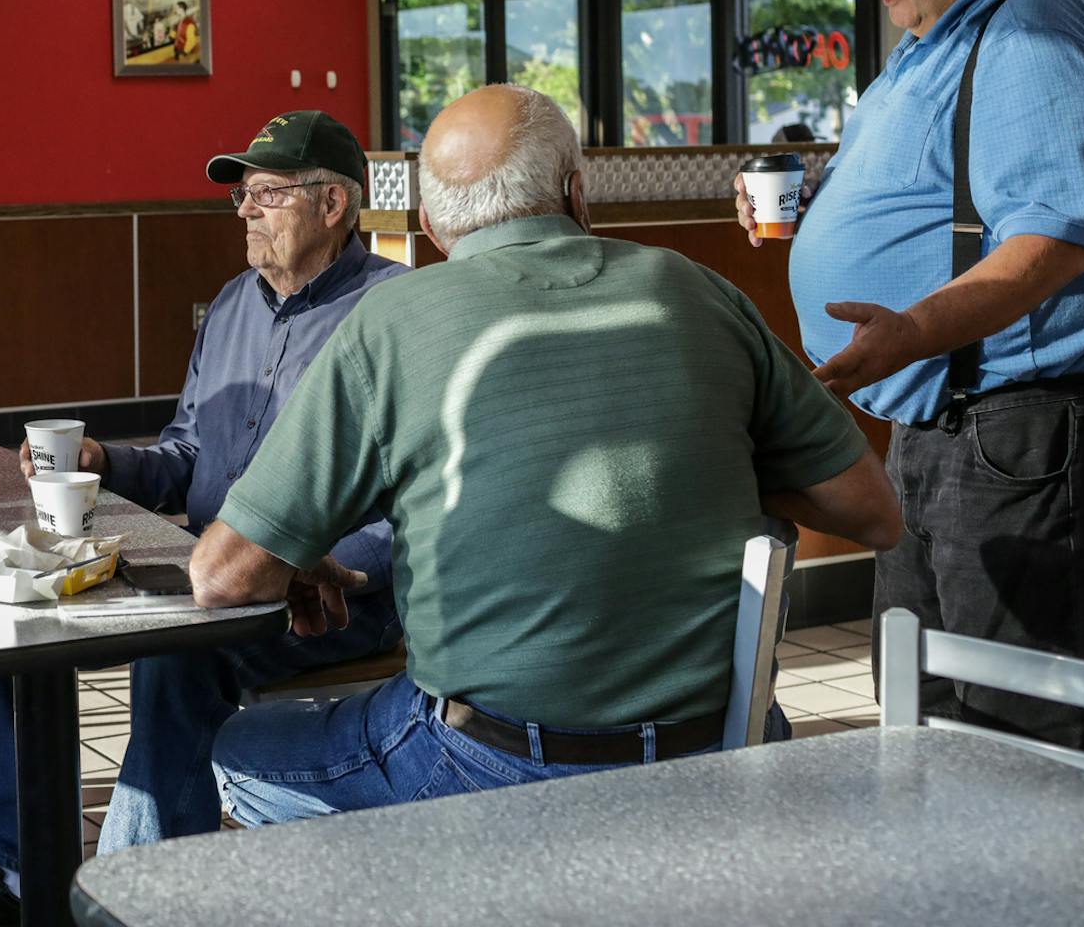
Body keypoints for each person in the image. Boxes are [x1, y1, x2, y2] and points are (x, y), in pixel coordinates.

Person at [193, 85, 902, 827]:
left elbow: (220, 578)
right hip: (721, 754)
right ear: (576, 194)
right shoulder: (697, 289)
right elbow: (876, 514)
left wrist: (298, 552)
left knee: (240, 752)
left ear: (433, 228)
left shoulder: (392, 321)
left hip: (484, 764)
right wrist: (692, 466)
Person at [737, 0, 1084, 761]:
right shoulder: (943, 36)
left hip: (1035, 427)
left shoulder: (1034, 36)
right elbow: (939, 185)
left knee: (1032, 728)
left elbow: (1054, 245)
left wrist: (911, 331)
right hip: (951, 416)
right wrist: (820, 209)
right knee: (931, 707)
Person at [0, 109, 408, 927]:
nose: (247, 210)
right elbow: (186, 456)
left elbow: (415, 501)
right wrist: (105, 463)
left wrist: (289, 565)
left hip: (332, 597)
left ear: (335, 204)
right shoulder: (230, 305)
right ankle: (12, 879)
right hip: (205, 572)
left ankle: (135, 905)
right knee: (11, 631)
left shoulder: (397, 311)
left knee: (174, 663)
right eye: (243, 196)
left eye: (268, 193)